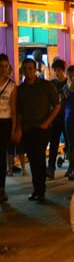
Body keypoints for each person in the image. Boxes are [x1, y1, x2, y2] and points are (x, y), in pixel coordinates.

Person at [14, 58, 60, 202]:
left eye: (30, 68)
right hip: (28, 129)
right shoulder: (20, 90)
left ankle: (40, 190)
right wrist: (19, 129)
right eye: (25, 69)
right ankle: (37, 189)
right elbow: (19, 112)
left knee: (38, 158)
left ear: (35, 70)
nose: (28, 71)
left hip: (42, 128)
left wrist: (47, 122)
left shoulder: (46, 86)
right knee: (33, 160)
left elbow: (57, 105)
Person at [47, 59, 67, 179]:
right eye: (54, 70)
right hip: (55, 117)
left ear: (63, 70)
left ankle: (72, 167)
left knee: (69, 142)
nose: (56, 72)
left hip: (66, 116)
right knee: (54, 143)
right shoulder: (51, 83)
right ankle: (51, 168)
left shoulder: (68, 82)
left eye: (58, 70)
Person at [0, 54, 16, 202]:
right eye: (1, 66)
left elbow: (13, 107)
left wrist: (14, 127)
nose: (4, 69)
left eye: (6, 66)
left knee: (2, 156)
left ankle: (1, 188)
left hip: (5, 122)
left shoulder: (11, 85)